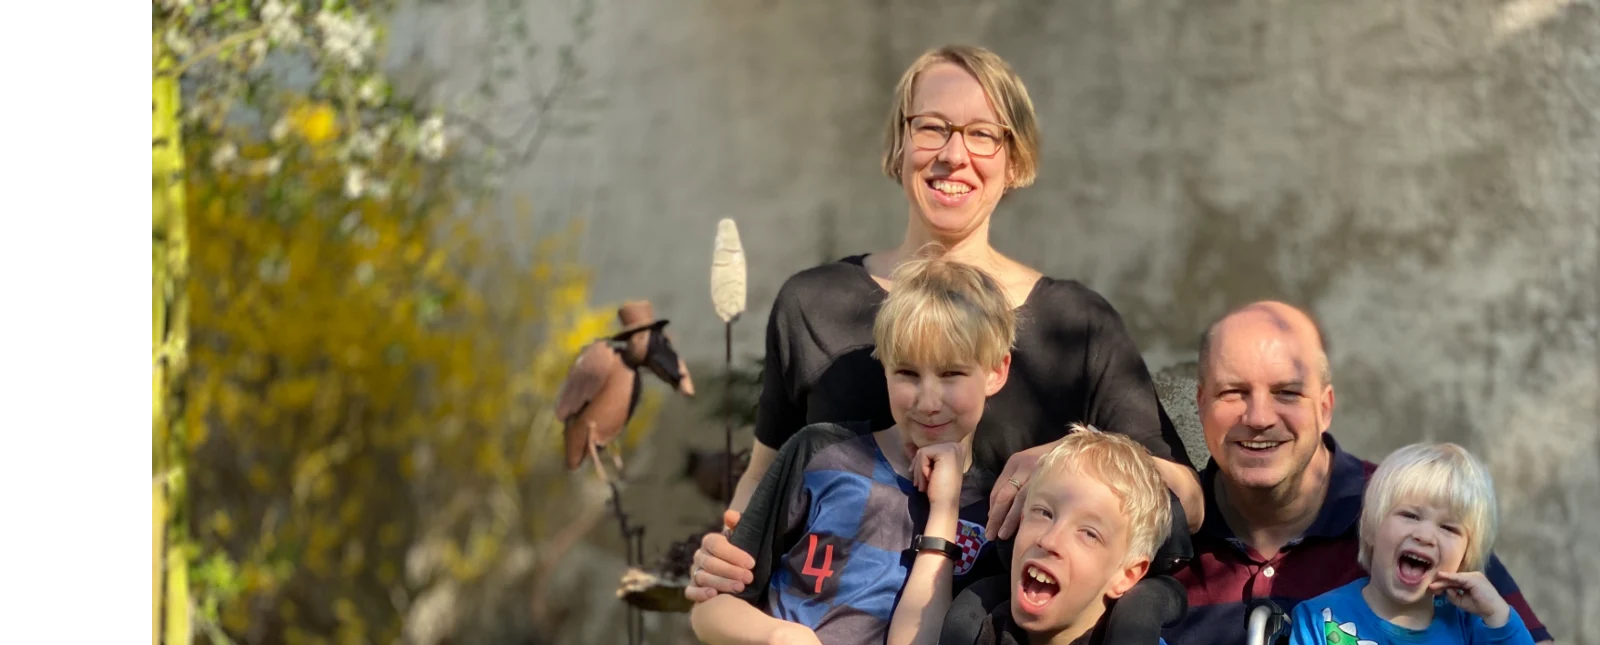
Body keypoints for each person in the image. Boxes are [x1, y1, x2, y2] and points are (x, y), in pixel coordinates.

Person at [686, 42, 1204, 604]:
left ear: (1015, 158)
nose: (954, 155)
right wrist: (727, 557)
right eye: (932, 127)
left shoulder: (1077, 326)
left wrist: (1065, 460)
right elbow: (766, 474)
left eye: (983, 134)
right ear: (900, 143)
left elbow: (1188, 500)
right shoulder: (813, 304)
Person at [1164, 300, 1551, 645]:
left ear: (1325, 407)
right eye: (1233, 392)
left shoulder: (1409, 510)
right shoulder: (1155, 527)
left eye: (1287, 393)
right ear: (1201, 405)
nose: (1260, 418)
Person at [689, 250, 1015, 645]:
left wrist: (944, 513)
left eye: (951, 374)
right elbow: (710, 608)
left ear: (996, 372)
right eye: (908, 373)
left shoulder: (993, 515)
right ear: (885, 369)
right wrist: (781, 636)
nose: (928, 401)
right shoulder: (820, 454)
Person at [1289, 442, 1535, 645]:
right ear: (1372, 528)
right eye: (1410, 516)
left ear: (1464, 558)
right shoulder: (1320, 619)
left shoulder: (1471, 625)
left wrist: (1497, 614)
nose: (1425, 536)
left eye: (1448, 528)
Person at [958, 425, 1176, 645]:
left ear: (1127, 575)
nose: (1049, 540)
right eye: (1044, 513)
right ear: (1021, 520)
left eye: (1089, 534)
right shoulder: (973, 631)